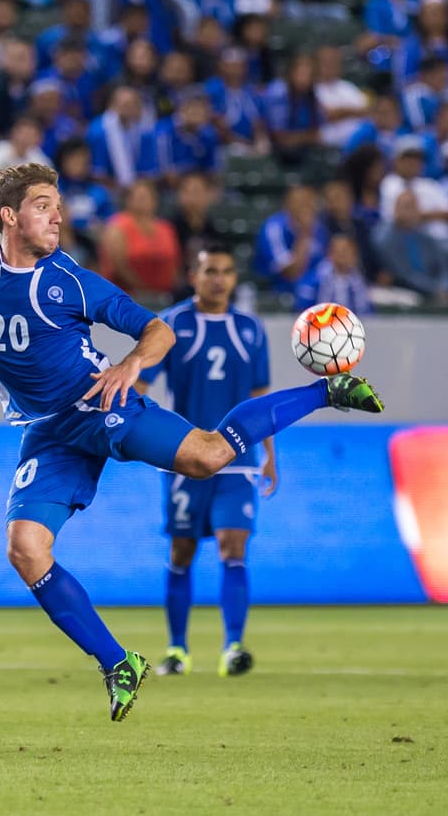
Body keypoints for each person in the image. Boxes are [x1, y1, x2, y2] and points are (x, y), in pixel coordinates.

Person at [0, 163, 384, 722]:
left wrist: (131, 364)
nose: (58, 217)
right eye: (43, 206)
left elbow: (157, 329)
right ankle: (119, 663)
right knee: (25, 549)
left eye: (58, 206)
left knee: (208, 456)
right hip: (47, 432)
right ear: (8, 216)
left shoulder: (70, 280)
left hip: (101, 404)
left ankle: (326, 391)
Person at [135, 245, 271, 679]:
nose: (219, 279)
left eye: (227, 271)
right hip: (186, 457)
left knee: (234, 547)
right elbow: (142, 382)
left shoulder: (251, 329)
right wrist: (139, 433)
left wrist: (270, 454)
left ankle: (233, 647)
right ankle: (177, 649)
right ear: (194, 276)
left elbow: (260, 398)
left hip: (238, 458)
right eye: (211, 271)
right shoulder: (171, 325)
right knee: (182, 550)